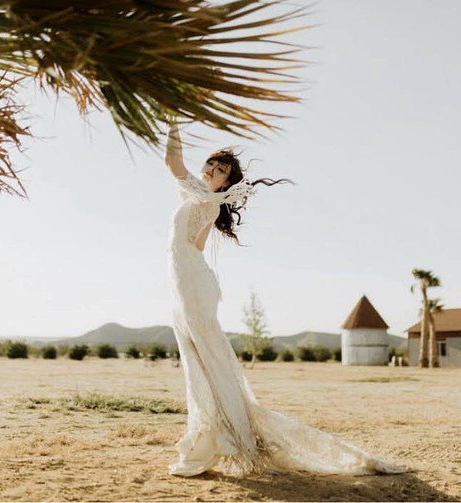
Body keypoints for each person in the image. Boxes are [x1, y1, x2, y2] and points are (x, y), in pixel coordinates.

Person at [165, 122, 405, 477]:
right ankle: (220, 434)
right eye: (213, 164)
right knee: (198, 356)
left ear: (228, 182)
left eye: (222, 170)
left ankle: (225, 435)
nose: (214, 170)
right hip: (187, 278)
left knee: (207, 355)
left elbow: (173, 165)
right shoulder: (200, 197)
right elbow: (193, 238)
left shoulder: (206, 199)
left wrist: (172, 125)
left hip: (192, 282)